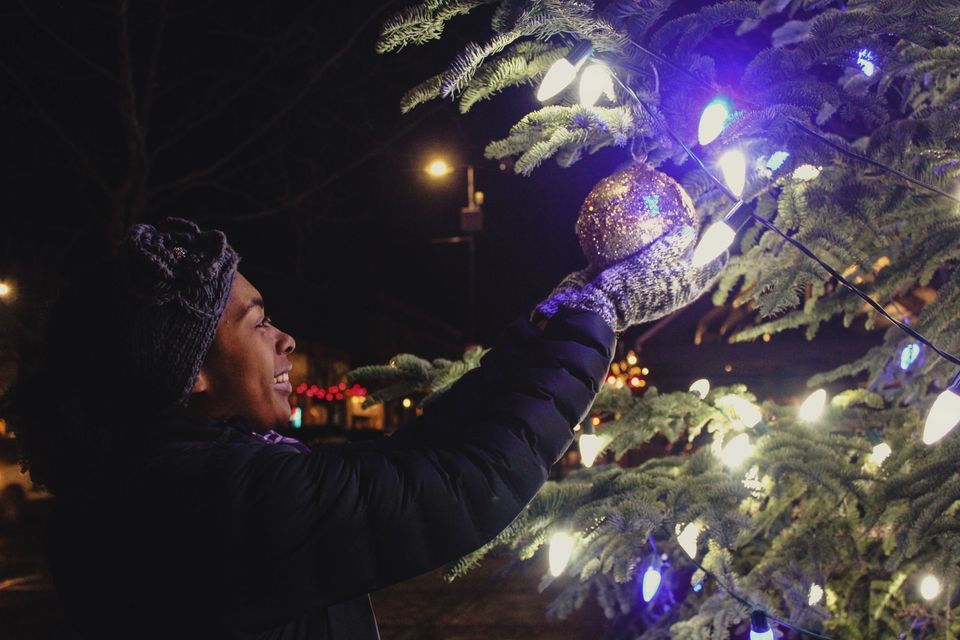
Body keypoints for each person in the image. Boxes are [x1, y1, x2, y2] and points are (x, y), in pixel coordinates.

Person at [1, 217, 726, 639]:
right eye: (258, 324)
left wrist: (555, 322)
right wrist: (602, 312)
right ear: (188, 371)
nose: (285, 340)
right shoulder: (202, 501)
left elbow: (412, 456)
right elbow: (465, 483)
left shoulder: (161, 472)